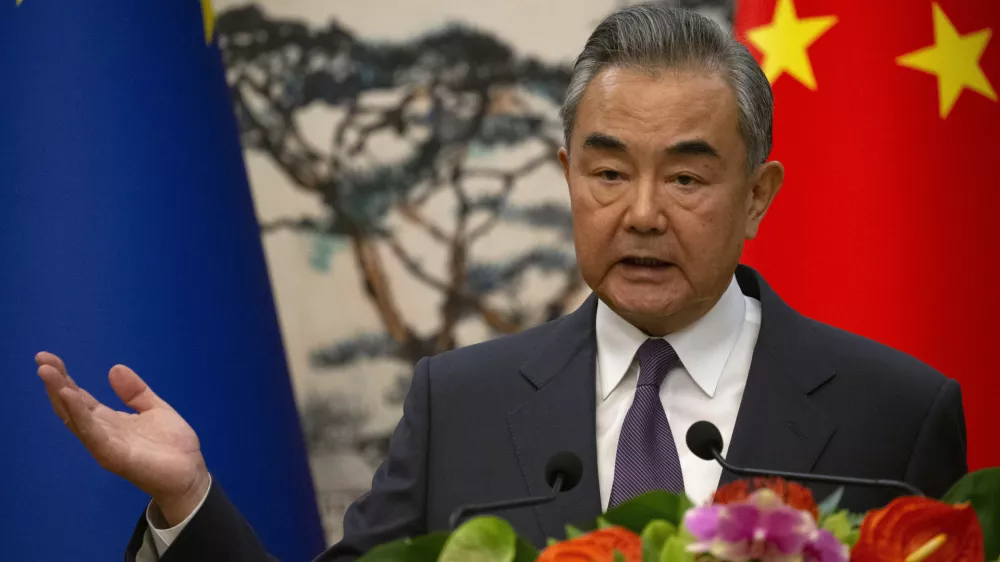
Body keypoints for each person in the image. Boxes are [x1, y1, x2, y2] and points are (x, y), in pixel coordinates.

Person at [35, 5, 967, 562]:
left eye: (685, 177)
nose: (641, 212)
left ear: (757, 196)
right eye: (607, 172)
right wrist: (188, 499)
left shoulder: (896, 413)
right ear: (568, 175)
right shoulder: (460, 405)